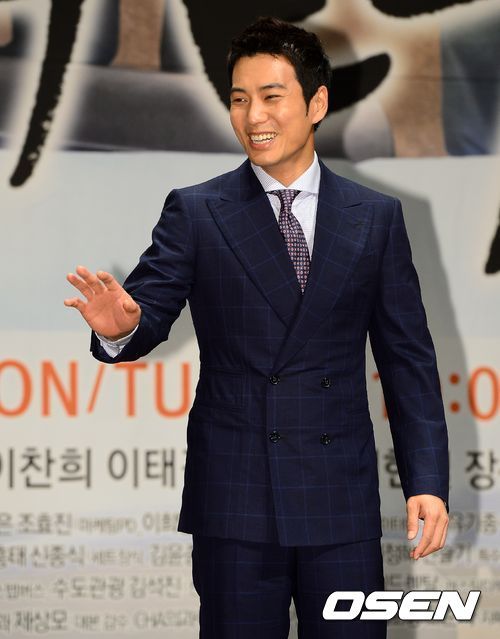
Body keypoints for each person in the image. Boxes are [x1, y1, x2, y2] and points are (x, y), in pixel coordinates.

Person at [64, 17, 449, 639]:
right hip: (237, 500)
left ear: (316, 103)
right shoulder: (198, 211)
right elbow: (145, 314)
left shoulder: (375, 218)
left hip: (339, 499)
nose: (253, 116)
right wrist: (120, 330)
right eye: (239, 99)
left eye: (271, 97)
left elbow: (408, 362)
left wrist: (426, 482)